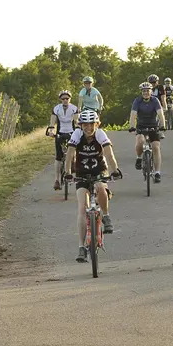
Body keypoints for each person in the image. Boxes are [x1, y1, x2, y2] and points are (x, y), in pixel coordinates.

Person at [64, 109, 122, 263]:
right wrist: (67, 172)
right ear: (80, 125)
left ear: (97, 124)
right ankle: (81, 247)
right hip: (82, 173)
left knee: (101, 188)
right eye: (85, 125)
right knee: (82, 208)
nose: (88, 128)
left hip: (98, 170)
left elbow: (109, 153)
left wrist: (115, 170)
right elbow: (69, 154)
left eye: (91, 124)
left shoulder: (100, 134)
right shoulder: (76, 135)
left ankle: (106, 216)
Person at [128, 82, 166, 183]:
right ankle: (139, 157)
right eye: (144, 91)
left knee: (156, 147)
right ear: (141, 92)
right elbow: (133, 115)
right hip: (141, 126)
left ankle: (157, 172)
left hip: (154, 126)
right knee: (140, 141)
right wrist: (132, 126)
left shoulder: (155, 100)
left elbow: (160, 114)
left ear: (151, 91)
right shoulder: (137, 101)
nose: (145, 93)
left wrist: (163, 126)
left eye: (148, 90)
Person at [46, 90, 79, 190]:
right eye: (63, 99)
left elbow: (76, 121)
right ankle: (57, 180)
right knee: (58, 157)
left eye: (67, 99)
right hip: (60, 132)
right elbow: (52, 121)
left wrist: (78, 129)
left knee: (74, 151)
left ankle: (72, 164)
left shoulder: (74, 108)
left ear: (70, 99)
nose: (65, 100)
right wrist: (51, 130)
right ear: (60, 99)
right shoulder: (56, 108)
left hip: (71, 132)